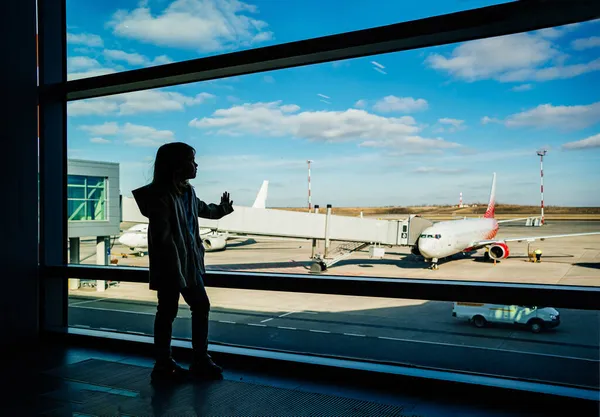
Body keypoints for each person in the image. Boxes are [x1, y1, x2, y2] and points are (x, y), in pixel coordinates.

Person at [132, 142, 234, 382]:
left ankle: (172, 362)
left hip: (188, 266)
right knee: (176, 310)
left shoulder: (187, 192)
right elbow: (164, 240)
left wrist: (221, 210)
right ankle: (178, 361)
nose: (196, 165)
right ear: (176, 165)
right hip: (173, 267)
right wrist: (175, 271)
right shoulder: (160, 196)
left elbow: (202, 209)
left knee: (177, 310)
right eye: (191, 160)